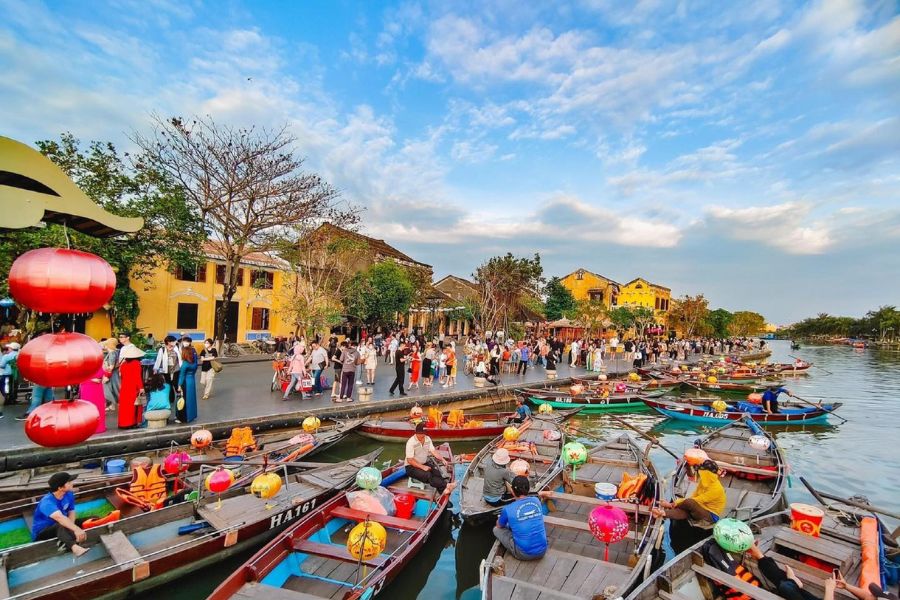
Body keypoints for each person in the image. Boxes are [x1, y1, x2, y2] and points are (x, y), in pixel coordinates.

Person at [31, 472, 90, 556]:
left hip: (62, 525)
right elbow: (60, 518)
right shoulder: (47, 502)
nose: (72, 484)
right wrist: (76, 529)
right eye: (69, 482)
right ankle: (74, 548)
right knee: (59, 526)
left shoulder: (69, 494)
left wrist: (72, 528)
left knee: (91, 518)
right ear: (60, 488)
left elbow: (71, 511)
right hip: (42, 532)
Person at [493, 476, 548, 561]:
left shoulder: (508, 509)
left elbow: (499, 525)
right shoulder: (536, 501)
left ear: (512, 491)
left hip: (523, 554)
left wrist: (500, 519)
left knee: (496, 530)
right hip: (542, 551)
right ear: (528, 490)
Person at [652, 459, 725, 522]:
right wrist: (678, 502)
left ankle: (670, 506)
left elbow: (697, 500)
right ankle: (662, 513)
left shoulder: (716, 489)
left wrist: (674, 503)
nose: (700, 475)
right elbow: (694, 495)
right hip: (701, 507)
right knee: (686, 512)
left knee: (690, 503)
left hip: (711, 515)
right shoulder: (703, 483)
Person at [405, 422, 454, 495]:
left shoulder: (427, 439)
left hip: (424, 463)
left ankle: (443, 492)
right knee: (428, 475)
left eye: (423, 433)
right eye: (420, 434)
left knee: (437, 472)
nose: (422, 436)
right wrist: (422, 467)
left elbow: (434, 451)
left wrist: (443, 459)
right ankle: (446, 485)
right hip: (411, 467)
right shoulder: (411, 442)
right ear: (416, 433)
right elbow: (410, 460)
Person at [118, 345, 145, 429]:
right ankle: (132, 423)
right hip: (133, 387)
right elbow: (138, 377)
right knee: (134, 406)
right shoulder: (137, 363)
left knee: (124, 407)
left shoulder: (123, 364)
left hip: (124, 387)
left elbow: (122, 376)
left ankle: (123, 423)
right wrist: (141, 388)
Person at [153, 335, 182, 408]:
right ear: (168, 342)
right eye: (173, 341)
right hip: (166, 370)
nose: (175, 342)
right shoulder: (162, 349)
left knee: (176, 384)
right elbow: (159, 360)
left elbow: (181, 358)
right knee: (168, 384)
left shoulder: (177, 348)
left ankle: (180, 398)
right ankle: (170, 399)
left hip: (176, 369)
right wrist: (155, 368)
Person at [78, 364, 106, 434]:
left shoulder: (96, 364)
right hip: (89, 387)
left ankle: (96, 427)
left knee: (97, 407)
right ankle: (93, 427)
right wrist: (91, 380)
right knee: (91, 408)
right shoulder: (83, 364)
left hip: (96, 388)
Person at [176, 337, 198, 423]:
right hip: (191, 380)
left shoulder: (185, 364)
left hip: (185, 381)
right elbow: (196, 368)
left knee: (183, 399)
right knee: (191, 399)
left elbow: (181, 376)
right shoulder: (193, 363)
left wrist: (179, 385)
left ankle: (183, 418)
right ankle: (191, 415)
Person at [0, 341, 20, 419]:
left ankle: (7, 400)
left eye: (9, 348)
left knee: (5, 387)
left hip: (6, 373)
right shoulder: (19, 355)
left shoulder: (6, 356)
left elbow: (1, 365)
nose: (8, 349)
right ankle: (13, 398)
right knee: (14, 385)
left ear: (11, 349)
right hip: (15, 374)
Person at [101, 337, 121, 411]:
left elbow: (111, 367)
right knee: (115, 389)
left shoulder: (112, 353)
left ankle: (109, 404)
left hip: (111, 374)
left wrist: (106, 376)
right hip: (114, 374)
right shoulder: (116, 352)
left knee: (108, 390)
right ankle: (112, 405)